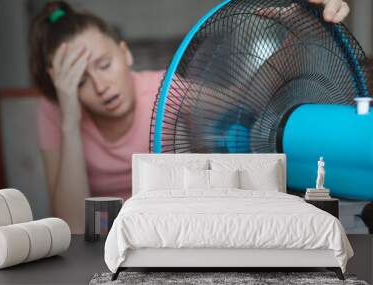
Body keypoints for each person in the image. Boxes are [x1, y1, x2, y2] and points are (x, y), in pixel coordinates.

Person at [29, 0, 350, 233]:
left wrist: (298, 27)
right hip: (101, 231)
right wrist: (69, 117)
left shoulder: (162, 89)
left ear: (124, 53)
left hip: (163, 225)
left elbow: (242, 98)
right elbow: (72, 224)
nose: (100, 86)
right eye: (80, 81)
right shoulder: (58, 112)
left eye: (104, 65)